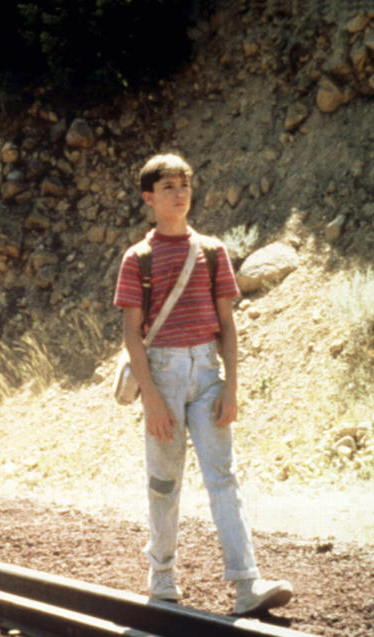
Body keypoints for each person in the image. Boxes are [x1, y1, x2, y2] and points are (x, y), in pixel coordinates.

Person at [113, 153, 293, 616]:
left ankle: (245, 583)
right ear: (148, 198)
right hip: (164, 376)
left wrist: (231, 387)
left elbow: (228, 326)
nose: (179, 193)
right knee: (164, 482)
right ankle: (163, 577)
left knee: (224, 479)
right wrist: (152, 398)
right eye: (168, 187)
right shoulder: (138, 259)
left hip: (206, 373)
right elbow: (132, 334)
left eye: (184, 185)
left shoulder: (212, 252)